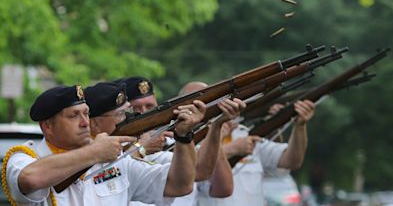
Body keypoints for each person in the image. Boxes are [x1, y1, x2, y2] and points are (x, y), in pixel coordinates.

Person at [2, 83, 203, 205]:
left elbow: (179, 185)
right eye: (73, 116)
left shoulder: (114, 159)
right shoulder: (25, 156)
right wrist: (94, 153)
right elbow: (31, 179)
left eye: (86, 114)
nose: (84, 122)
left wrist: (184, 138)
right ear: (47, 126)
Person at [117, 77, 245, 206]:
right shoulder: (118, 147)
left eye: (149, 106)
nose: (144, 112)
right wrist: (142, 148)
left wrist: (216, 125)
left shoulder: (169, 140)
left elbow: (201, 172)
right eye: (135, 108)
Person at [197, 96, 316, 206]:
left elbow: (291, 161)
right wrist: (231, 149)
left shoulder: (245, 135)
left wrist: (300, 126)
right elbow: (194, 169)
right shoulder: (195, 141)